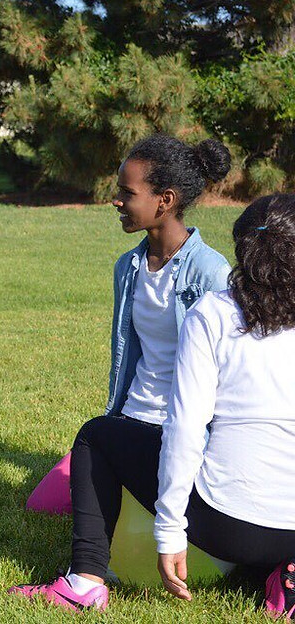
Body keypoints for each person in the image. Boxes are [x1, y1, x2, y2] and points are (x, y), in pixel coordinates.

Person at [9, 134, 232, 611]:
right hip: (134, 419)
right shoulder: (128, 268)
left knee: (91, 437)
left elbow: (230, 377)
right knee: (95, 441)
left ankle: (85, 580)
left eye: (127, 193)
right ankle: (92, 566)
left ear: (164, 201)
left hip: (188, 438)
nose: (116, 200)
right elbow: (132, 356)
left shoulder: (212, 274)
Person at [156, 193, 295, 619]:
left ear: (241, 249)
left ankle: (84, 580)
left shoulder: (212, 313)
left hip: (231, 528)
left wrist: (168, 531)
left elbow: (185, 427)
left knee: (98, 436)